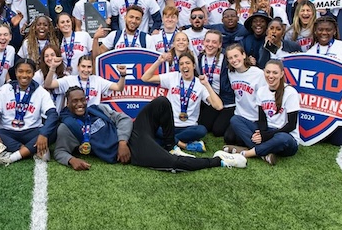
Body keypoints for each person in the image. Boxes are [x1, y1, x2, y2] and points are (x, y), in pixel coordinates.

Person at [54, 86, 247, 170]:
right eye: (75, 101)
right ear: (67, 104)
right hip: (133, 152)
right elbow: (60, 151)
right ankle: (219, 161)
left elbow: (125, 120)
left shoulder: (97, 108)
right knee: (173, 163)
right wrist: (72, 160)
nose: (80, 104)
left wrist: (122, 141)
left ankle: (171, 144)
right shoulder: (67, 127)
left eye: (82, 100)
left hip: (131, 137)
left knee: (162, 102)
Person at [142, 52, 223, 154]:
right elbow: (145, 78)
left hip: (189, 127)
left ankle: (168, 142)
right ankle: (184, 145)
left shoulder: (200, 84)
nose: (184, 66)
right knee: (154, 127)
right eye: (181, 64)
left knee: (201, 130)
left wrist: (207, 84)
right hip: (169, 125)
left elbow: (219, 106)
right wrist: (159, 61)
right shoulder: (173, 77)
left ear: (193, 66)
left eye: (188, 63)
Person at [0, 58, 59, 166]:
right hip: (7, 131)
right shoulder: (5, 89)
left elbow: (52, 115)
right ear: (15, 72)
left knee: (53, 131)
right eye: (20, 71)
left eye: (28, 72)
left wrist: (43, 134)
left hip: (31, 131)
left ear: (33, 73)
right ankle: (34, 150)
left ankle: (10, 157)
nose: (24, 75)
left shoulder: (41, 92)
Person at [225, 60, 300, 166]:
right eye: (268, 72)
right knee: (236, 120)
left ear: (282, 74)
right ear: (264, 72)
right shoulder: (261, 91)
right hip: (268, 131)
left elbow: (291, 126)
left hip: (285, 136)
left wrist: (266, 136)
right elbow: (262, 120)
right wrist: (261, 133)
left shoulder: (291, 93)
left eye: (275, 73)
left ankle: (247, 153)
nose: (271, 76)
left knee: (283, 138)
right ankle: (264, 153)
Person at [306, 15, 342, 144]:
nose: (324, 33)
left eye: (328, 30)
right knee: (320, 138)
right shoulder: (311, 52)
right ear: (315, 31)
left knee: (338, 141)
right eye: (320, 29)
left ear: (334, 31)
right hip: (321, 102)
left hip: (341, 100)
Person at [223, 44, 267, 147]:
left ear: (243, 55)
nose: (234, 60)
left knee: (240, 139)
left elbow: (265, 99)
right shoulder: (231, 73)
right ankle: (252, 145)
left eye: (236, 56)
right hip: (240, 115)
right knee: (229, 138)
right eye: (230, 58)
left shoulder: (258, 74)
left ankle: (258, 150)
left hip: (255, 118)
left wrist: (262, 126)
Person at [44, 55, 126, 106]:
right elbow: (48, 85)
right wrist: (53, 68)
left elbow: (119, 87)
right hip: (74, 115)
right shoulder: (69, 80)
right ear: (78, 67)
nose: (86, 70)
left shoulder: (97, 80)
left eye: (89, 67)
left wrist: (122, 75)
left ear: (92, 68)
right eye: (83, 66)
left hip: (93, 115)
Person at [197, 30, 236, 137]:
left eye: (214, 42)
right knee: (204, 125)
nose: (210, 45)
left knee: (218, 131)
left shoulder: (227, 59)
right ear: (203, 42)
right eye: (207, 41)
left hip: (227, 101)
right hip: (211, 100)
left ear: (219, 45)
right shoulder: (200, 58)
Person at [33, 45, 66, 112]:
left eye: (52, 55)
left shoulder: (65, 74)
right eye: (46, 56)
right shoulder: (38, 75)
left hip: (59, 114)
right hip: (42, 115)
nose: (50, 58)